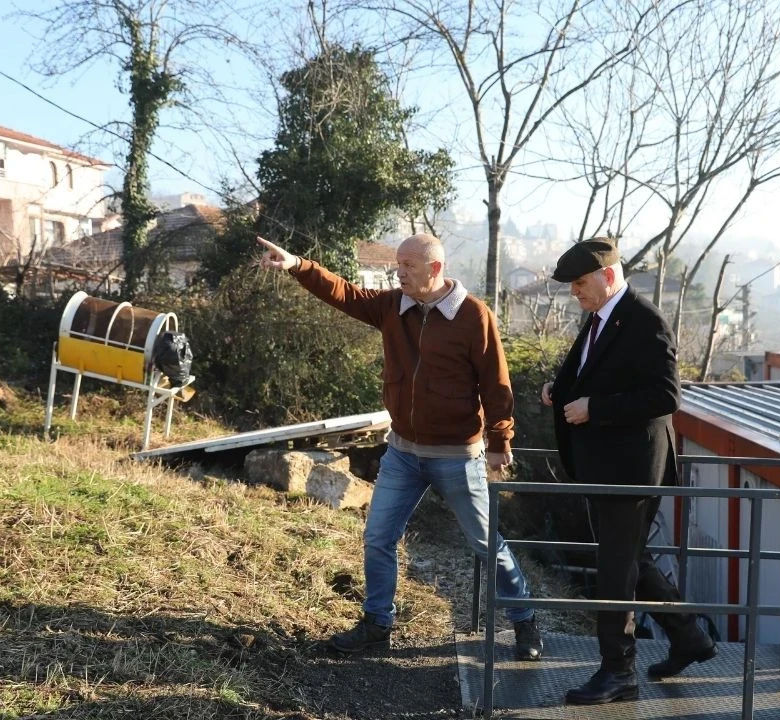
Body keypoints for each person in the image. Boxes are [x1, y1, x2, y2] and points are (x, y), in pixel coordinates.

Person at [256, 234, 543, 661]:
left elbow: (496, 384)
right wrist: (298, 264)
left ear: (435, 268)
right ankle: (377, 625)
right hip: (403, 453)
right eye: (397, 263)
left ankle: (524, 621)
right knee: (378, 538)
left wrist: (501, 441)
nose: (399, 271)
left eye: (408, 265)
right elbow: (346, 294)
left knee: (486, 543)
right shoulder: (393, 306)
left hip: (457, 456)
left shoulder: (473, 316)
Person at [539, 239, 714, 705]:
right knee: (632, 561)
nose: (574, 292)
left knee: (615, 569)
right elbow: (596, 372)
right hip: (606, 466)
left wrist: (594, 408)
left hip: (632, 470)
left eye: (579, 283)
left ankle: (618, 671)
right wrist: (561, 390)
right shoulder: (600, 316)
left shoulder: (644, 319)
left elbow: (665, 396)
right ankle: (689, 636)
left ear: (608, 276)